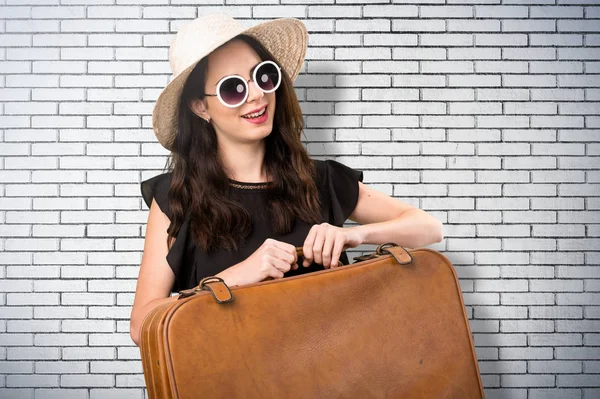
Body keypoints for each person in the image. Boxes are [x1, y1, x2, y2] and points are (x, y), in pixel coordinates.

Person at [129, 13, 444, 347]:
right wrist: (233, 279)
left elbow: (429, 228)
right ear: (200, 107)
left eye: (263, 76)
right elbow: (142, 325)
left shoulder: (321, 179)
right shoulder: (176, 197)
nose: (256, 95)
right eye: (233, 88)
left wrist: (355, 235)